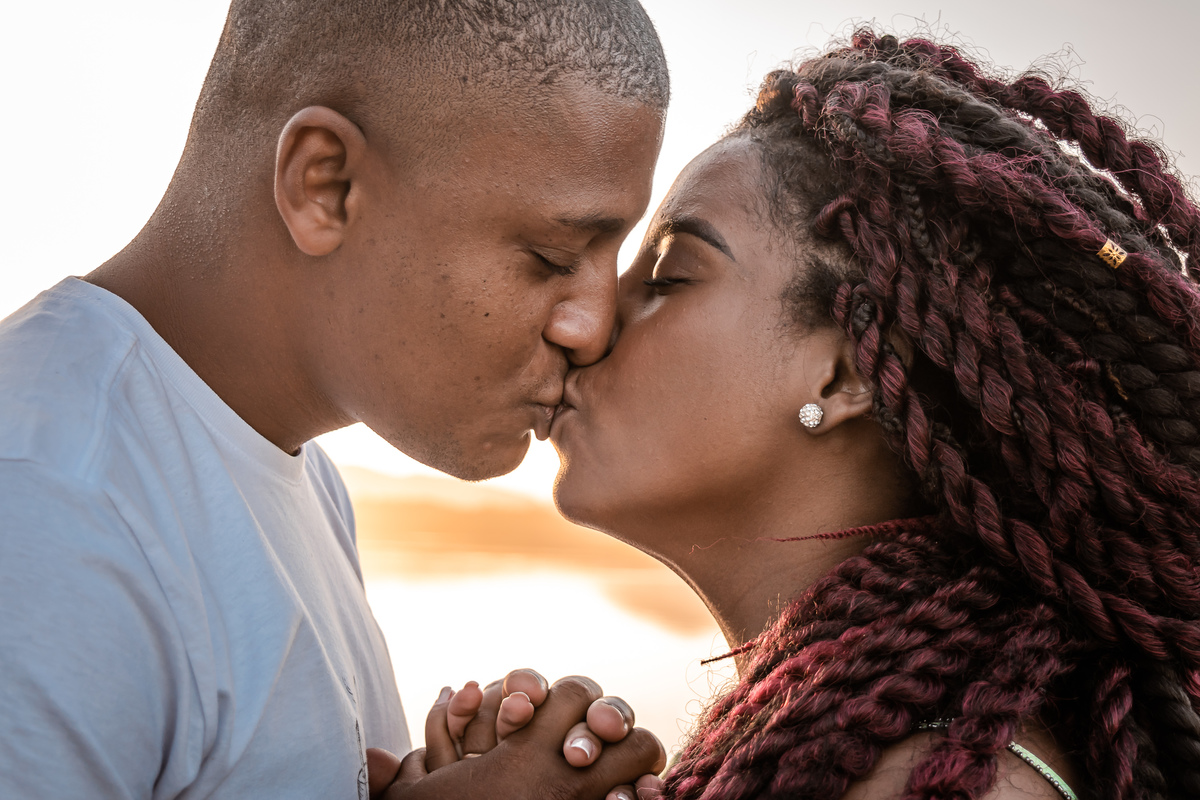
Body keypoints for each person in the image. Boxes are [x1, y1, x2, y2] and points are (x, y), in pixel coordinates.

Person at [0, 0, 670, 797]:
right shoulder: (48, 511)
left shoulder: (293, 470)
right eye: (552, 254)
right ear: (326, 185)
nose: (594, 327)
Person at [550, 30, 1200, 800]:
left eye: (668, 275)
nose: (585, 320)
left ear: (848, 370)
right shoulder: (852, 747)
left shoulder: (946, 783)